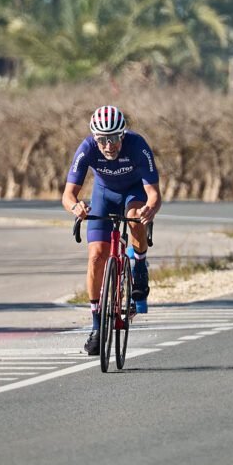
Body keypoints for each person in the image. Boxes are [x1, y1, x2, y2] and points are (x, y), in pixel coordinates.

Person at [62, 105, 161, 355]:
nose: (109, 146)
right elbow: (68, 194)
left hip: (133, 194)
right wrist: (76, 207)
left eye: (114, 138)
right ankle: (96, 326)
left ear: (123, 135)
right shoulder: (87, 148)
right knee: (96, 255)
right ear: (95, 138)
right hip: (104, 196)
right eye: (102, 140)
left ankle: (139, 265)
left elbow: (154, 194)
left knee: (134, 217)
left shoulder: (137, 146)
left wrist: (150, 209)